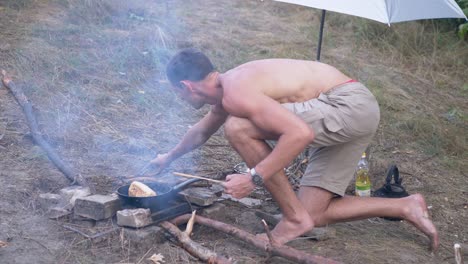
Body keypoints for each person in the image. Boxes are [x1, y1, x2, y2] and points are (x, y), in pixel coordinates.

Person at [150, 48, 439, 251]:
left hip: (345, 105)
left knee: (238, 127)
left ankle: (293, 219)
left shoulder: (236, 90)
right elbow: (201, 130)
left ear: (187, 86)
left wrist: (253, 178)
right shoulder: (228, 90)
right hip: (354, 110)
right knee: (313, 214)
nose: (179, 99)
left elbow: (300, 133)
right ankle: (404, 205)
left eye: (176, 93)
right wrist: (169, 157)